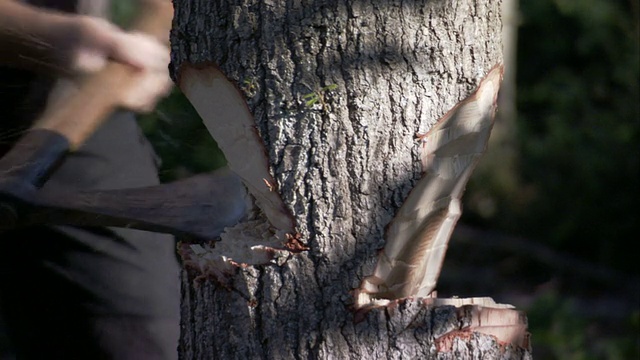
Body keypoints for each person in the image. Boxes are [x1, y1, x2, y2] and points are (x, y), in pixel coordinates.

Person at [0, 1, 180, 358]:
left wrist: (152, 37)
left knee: (140, 337)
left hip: (70, 104)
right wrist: (42, 34)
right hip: (67, 56)